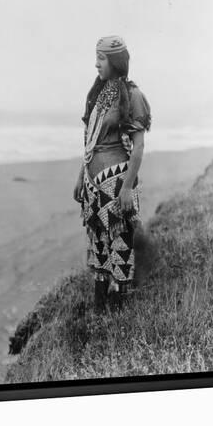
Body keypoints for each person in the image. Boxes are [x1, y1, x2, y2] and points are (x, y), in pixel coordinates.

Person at [73, 35, 152, 313]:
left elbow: (139, 147)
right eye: (96, 57)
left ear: (116, 61)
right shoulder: (98, 93)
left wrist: (128, 188)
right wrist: (81, 177)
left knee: (120, 244)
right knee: (99, 245)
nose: (96, 64)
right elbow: (90, 142)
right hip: (95, 186)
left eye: (102, 58)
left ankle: (118, 313)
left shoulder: (132, 95)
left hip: (118, 184)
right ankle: (99, 308)